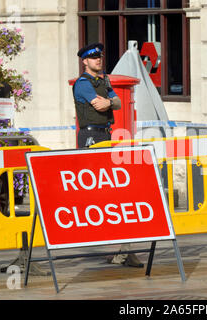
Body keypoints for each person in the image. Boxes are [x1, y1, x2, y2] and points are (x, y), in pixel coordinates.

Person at [73, 43, 144, 267]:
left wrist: (109, 102)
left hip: (106, 135)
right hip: (91, 137)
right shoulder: (83, 83)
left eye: (100, 57)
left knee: (112, 189)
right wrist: (108, 103)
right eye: (93, 58)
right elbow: (100, 105)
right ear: (84, 61)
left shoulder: (103, 81)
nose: (98, 60)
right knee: (97, 189)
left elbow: (117, 102)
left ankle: (121, 249)